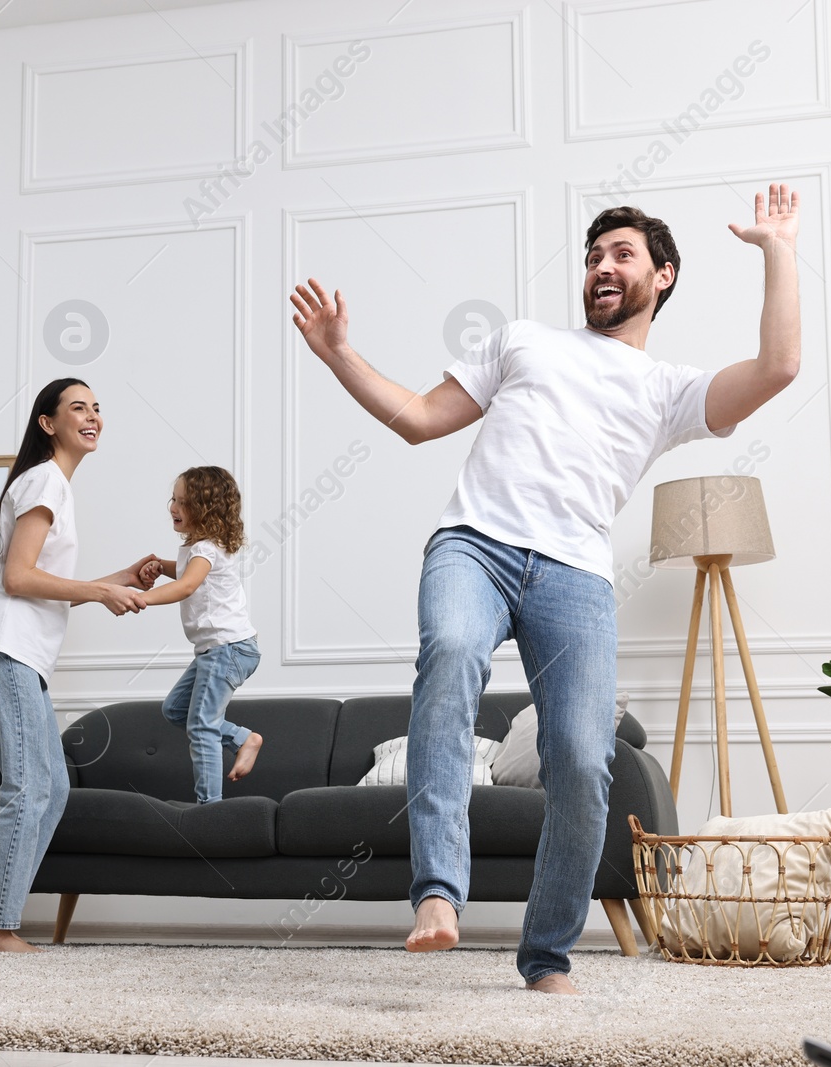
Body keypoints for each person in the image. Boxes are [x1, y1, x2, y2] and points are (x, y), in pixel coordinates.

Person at [289, 184, 803, 992]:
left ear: (661, 276)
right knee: (452, 649)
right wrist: (336, 352)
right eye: (595, 255)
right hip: (475, 546)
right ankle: (435, 893)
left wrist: (778, 249)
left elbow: (779, 366)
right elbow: (421, 417)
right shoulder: (522, 340)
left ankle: (548, 954)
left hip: (575, 576)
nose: (602, 266)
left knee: (579, 755)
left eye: (622, 254)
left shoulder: (668, 389)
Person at [0, 377, 160, 953]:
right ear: (49, 423)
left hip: (11, 650)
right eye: (78, 408)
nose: (92, 416)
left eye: (97, 407)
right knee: (28, 786)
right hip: (3, 646)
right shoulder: (45, 480)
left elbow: (39, 584)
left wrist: (119, 578)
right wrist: (99, 594)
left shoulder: (54, 486)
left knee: (52, 787)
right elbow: (18, 577)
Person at [137, 466, 263, 803]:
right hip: (219, 650)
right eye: (173, 499)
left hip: (227, 649)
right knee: (176, 710)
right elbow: (185, 573)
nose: (172, 508)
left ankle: (210, 808)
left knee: (202, 725)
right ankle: (242, 738)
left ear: (206, 510)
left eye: (182, 502)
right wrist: (159, 565)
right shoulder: (200, 548)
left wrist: (141, 597)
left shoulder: (205, 549)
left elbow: (188, 584)